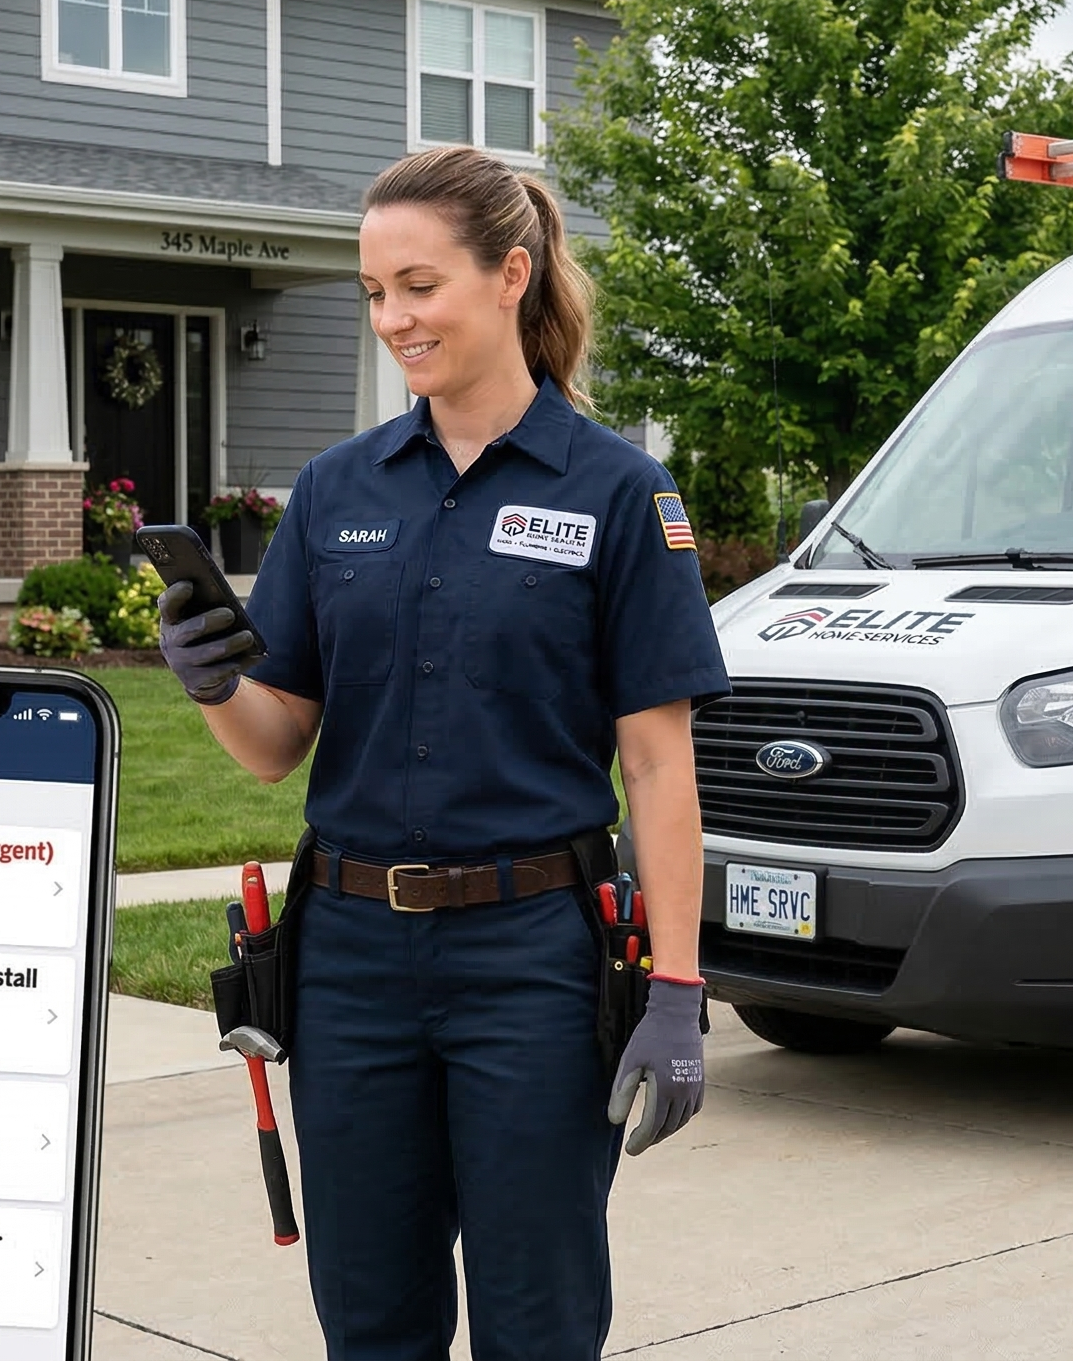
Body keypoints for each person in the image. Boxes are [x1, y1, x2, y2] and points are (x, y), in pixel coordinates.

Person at [155, 144, 730, 1360]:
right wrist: (211, 677)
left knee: (536, 1319)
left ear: (510, 274)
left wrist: (675, 992)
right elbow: (274, 749)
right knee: (371, 1319)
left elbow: (660, 769)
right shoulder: (336, 490)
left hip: (532, 959)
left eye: (417, 285)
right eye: (373, 293)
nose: (392, 319)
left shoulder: (618, 494)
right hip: (349, 960)